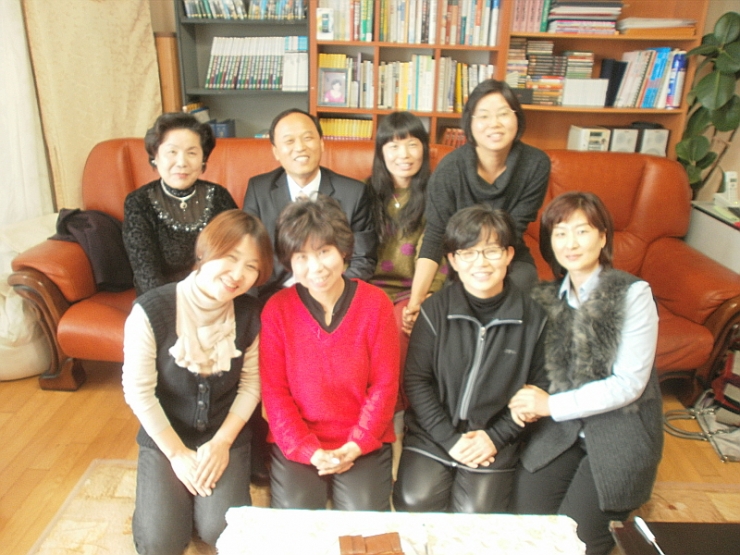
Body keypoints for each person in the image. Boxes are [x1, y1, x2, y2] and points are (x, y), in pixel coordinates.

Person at [508, 192, 662, 555]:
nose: (571, 244)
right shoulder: (546, 297)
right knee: (524, 526)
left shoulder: (633, 294)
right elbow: (534, 368)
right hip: (561, 432)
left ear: (603, 237)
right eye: (560, 234)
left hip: (620, 432)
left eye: (582, 231)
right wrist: (524, 401)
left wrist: (550, 405)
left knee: (577, 543)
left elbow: (629, 384)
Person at [122, 209, 273, 555]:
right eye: (231, 257)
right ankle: (169, 499)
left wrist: (222, 443)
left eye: (251, 266)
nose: (238, 274)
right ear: (205, 251)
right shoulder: (150, 310)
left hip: (223, 434)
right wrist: (177, 455)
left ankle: (194, 501)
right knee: (160, 542)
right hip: (167, 433)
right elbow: (138, 391)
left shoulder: (249, 314)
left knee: (220, 529)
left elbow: (251, 385)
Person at [393, 205, 548, 514]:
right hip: (433, 433)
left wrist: (496, 437)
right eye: (468, 253)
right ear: (453, 260)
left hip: (496, 437)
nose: (481, 263)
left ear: (508, 255)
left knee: (477, 514)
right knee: (416, 500)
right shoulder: (435, 310)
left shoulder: (534, 318)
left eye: (491, 251)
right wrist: (450, 440)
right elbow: (417, 380)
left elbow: (537, 388)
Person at [259, 196, 399, 511]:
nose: (316, 268)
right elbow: (275, 393)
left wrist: (358, 443)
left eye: (324, 252)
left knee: (364, 519)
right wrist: (307, 449)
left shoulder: (376, 304)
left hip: (363, 438)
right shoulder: (277, 310)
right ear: (289, 261)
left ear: (343, 250)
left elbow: (384, 385)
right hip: (299, 438)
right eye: (302, 257)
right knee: (298, 518)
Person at [403, 79, 550, 334]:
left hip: (508, 255)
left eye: (503, 113)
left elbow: (514, 230)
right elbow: (435, 236)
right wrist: (415, 302)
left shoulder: (535, 164)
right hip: (463, 261)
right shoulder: (449, 170)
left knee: (519, 288)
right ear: (469, 123)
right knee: (454, 310)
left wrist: (487, 267)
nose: (494, 123)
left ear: (517, 118)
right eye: (483, 116)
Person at [366, 112, 447, 473]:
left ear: (424, 149)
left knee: (401, 326)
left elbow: (438, 252)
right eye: (394, 145)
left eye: (412, 144)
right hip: (370, 289)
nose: (404, 154)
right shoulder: (365, 193)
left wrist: (423, 298)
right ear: (381, 151)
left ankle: (396, 424)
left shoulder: (437, 194)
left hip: (416, 289)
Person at [243, 108, 377, 303]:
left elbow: (363, 259)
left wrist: (332, 295)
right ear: (276, 151)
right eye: (289, 141)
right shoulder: (258, 189)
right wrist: (249, 308)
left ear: (322, 144)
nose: (300, 147)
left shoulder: (354, 193)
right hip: (274, 296)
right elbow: (248, 254)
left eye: (307, 138)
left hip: (333, 293)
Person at [123, 112, 238, 296]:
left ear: (203, 159)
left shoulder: (219, 197)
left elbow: (235, 256)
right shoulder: (139, 202)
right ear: (155, 156)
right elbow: (146, 275)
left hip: (215, 294)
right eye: (172, 152)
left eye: (192, 153)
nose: (182, 162)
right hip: (160, 299)